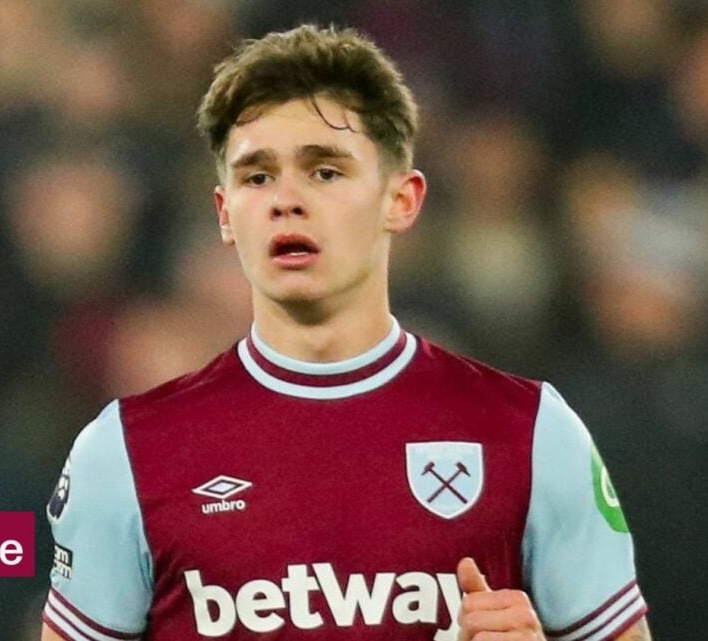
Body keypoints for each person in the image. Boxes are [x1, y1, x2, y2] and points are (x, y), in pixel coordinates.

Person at [40, 25, 651, 641]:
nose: (286, 200)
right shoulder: (125, 452)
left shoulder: (532, 433)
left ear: (401, 200)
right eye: (257, 176)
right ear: (225, 214)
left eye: (325, 171)